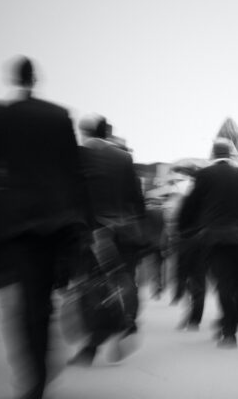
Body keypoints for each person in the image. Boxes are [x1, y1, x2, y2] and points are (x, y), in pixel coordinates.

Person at [0, 56, 89, 399]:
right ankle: (43, 366)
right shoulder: (59, 116)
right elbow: (75, 172)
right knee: (43, 299)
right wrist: (82, 221)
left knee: (24, 304)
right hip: (57, 223)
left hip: (18, 225)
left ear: (13, 78)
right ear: (36, 78)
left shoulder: (2, 115)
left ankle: (35, 375)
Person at [67, 115, 145, 367]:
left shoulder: (80, 156)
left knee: (91, 287)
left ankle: (93, 343)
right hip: (125, 232)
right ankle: (128, 323)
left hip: (94, 233)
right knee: (124, 281)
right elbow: (137, 200)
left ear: (85, 132)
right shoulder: (123, 157)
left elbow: (75, 198)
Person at [178, 138, 238, 348]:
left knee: (224, 285)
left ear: (213, 154)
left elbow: (191, 206)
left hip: (215, 239)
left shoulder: (204, 175)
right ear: (230, 154)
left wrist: (185, 228)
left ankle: (229, 333)